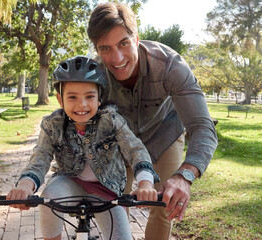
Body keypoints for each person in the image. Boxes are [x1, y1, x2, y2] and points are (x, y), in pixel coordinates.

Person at [87, 2, 218, 240]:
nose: (116, 58)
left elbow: (202, 127)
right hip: (119, 141)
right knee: (115, 202)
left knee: (166, 202)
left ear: (136, 39)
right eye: (105, 48)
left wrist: (185, 176)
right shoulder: (92, 74)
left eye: (123, 44)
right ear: (96, 49)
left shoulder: (171, 66)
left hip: (165, 133)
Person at [6, 56, 160, 240]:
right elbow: (40, 157)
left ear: (99, 99)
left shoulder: (111, 121)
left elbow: (136, 151)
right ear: (60, 99)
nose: (82, 104)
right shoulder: (52, 125)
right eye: (72, 97)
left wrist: (145, 183)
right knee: (48, 200)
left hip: (107, 188)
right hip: (69, 181)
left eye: (89, 96)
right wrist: (25, 186)